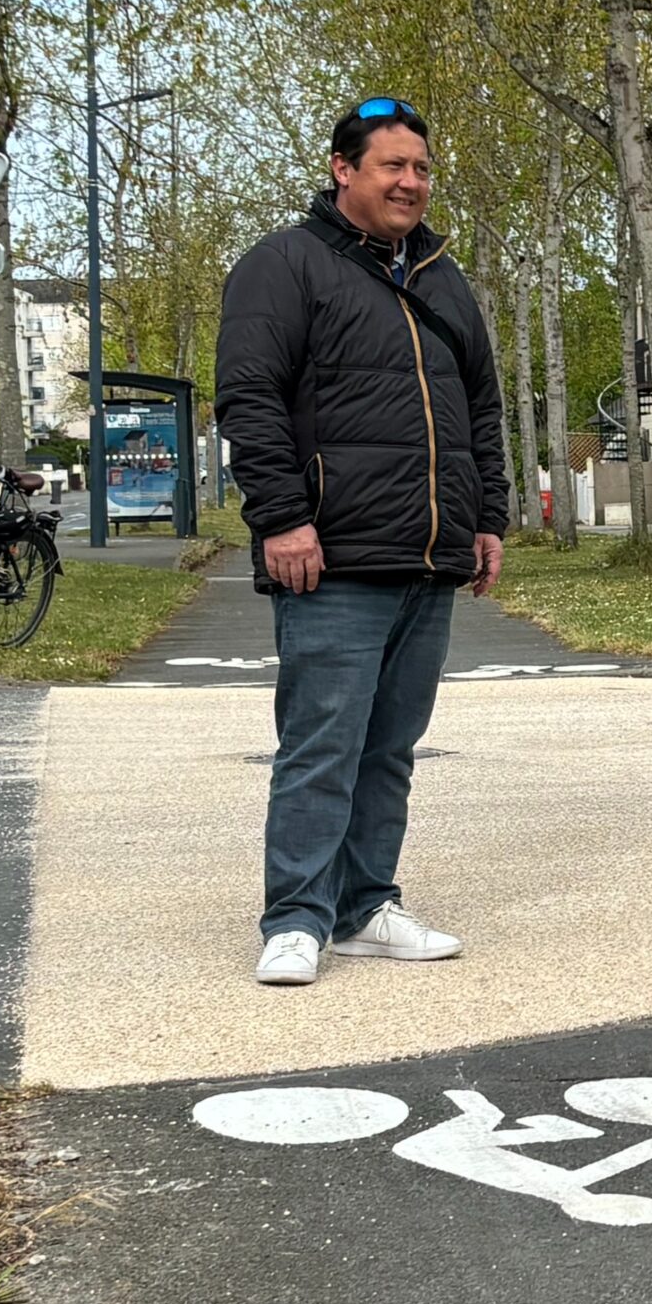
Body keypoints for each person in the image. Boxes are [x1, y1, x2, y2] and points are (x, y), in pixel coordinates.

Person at [215, 97, 513, 987]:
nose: (411, 182)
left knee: (389, 748)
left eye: (421, 168)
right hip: (332, 556)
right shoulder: (283, 265)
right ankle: (295, 919)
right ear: (344, 169)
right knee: (321, 744)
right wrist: (280, 516)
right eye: (393, 165)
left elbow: (482, 409)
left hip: (429, 556)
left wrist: (488, 517)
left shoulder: (444, 278)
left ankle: (364, 906)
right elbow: (249, 399)